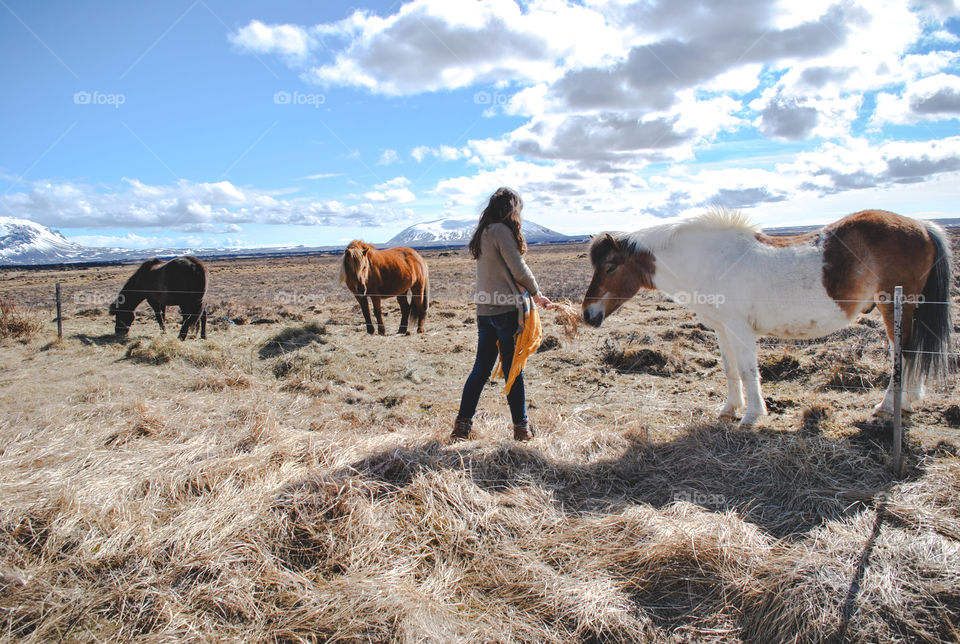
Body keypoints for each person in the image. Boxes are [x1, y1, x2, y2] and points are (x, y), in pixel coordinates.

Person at [452, 187, 553, 442]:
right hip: (506, 312)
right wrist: (537, 293)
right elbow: (518, 268)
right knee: (513, 370)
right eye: (518, 208)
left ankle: (462, 427)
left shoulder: (484, 231)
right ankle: (522, 430)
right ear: (511, 209)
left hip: (485, 311)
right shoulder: (501, 230)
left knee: (480, 370)